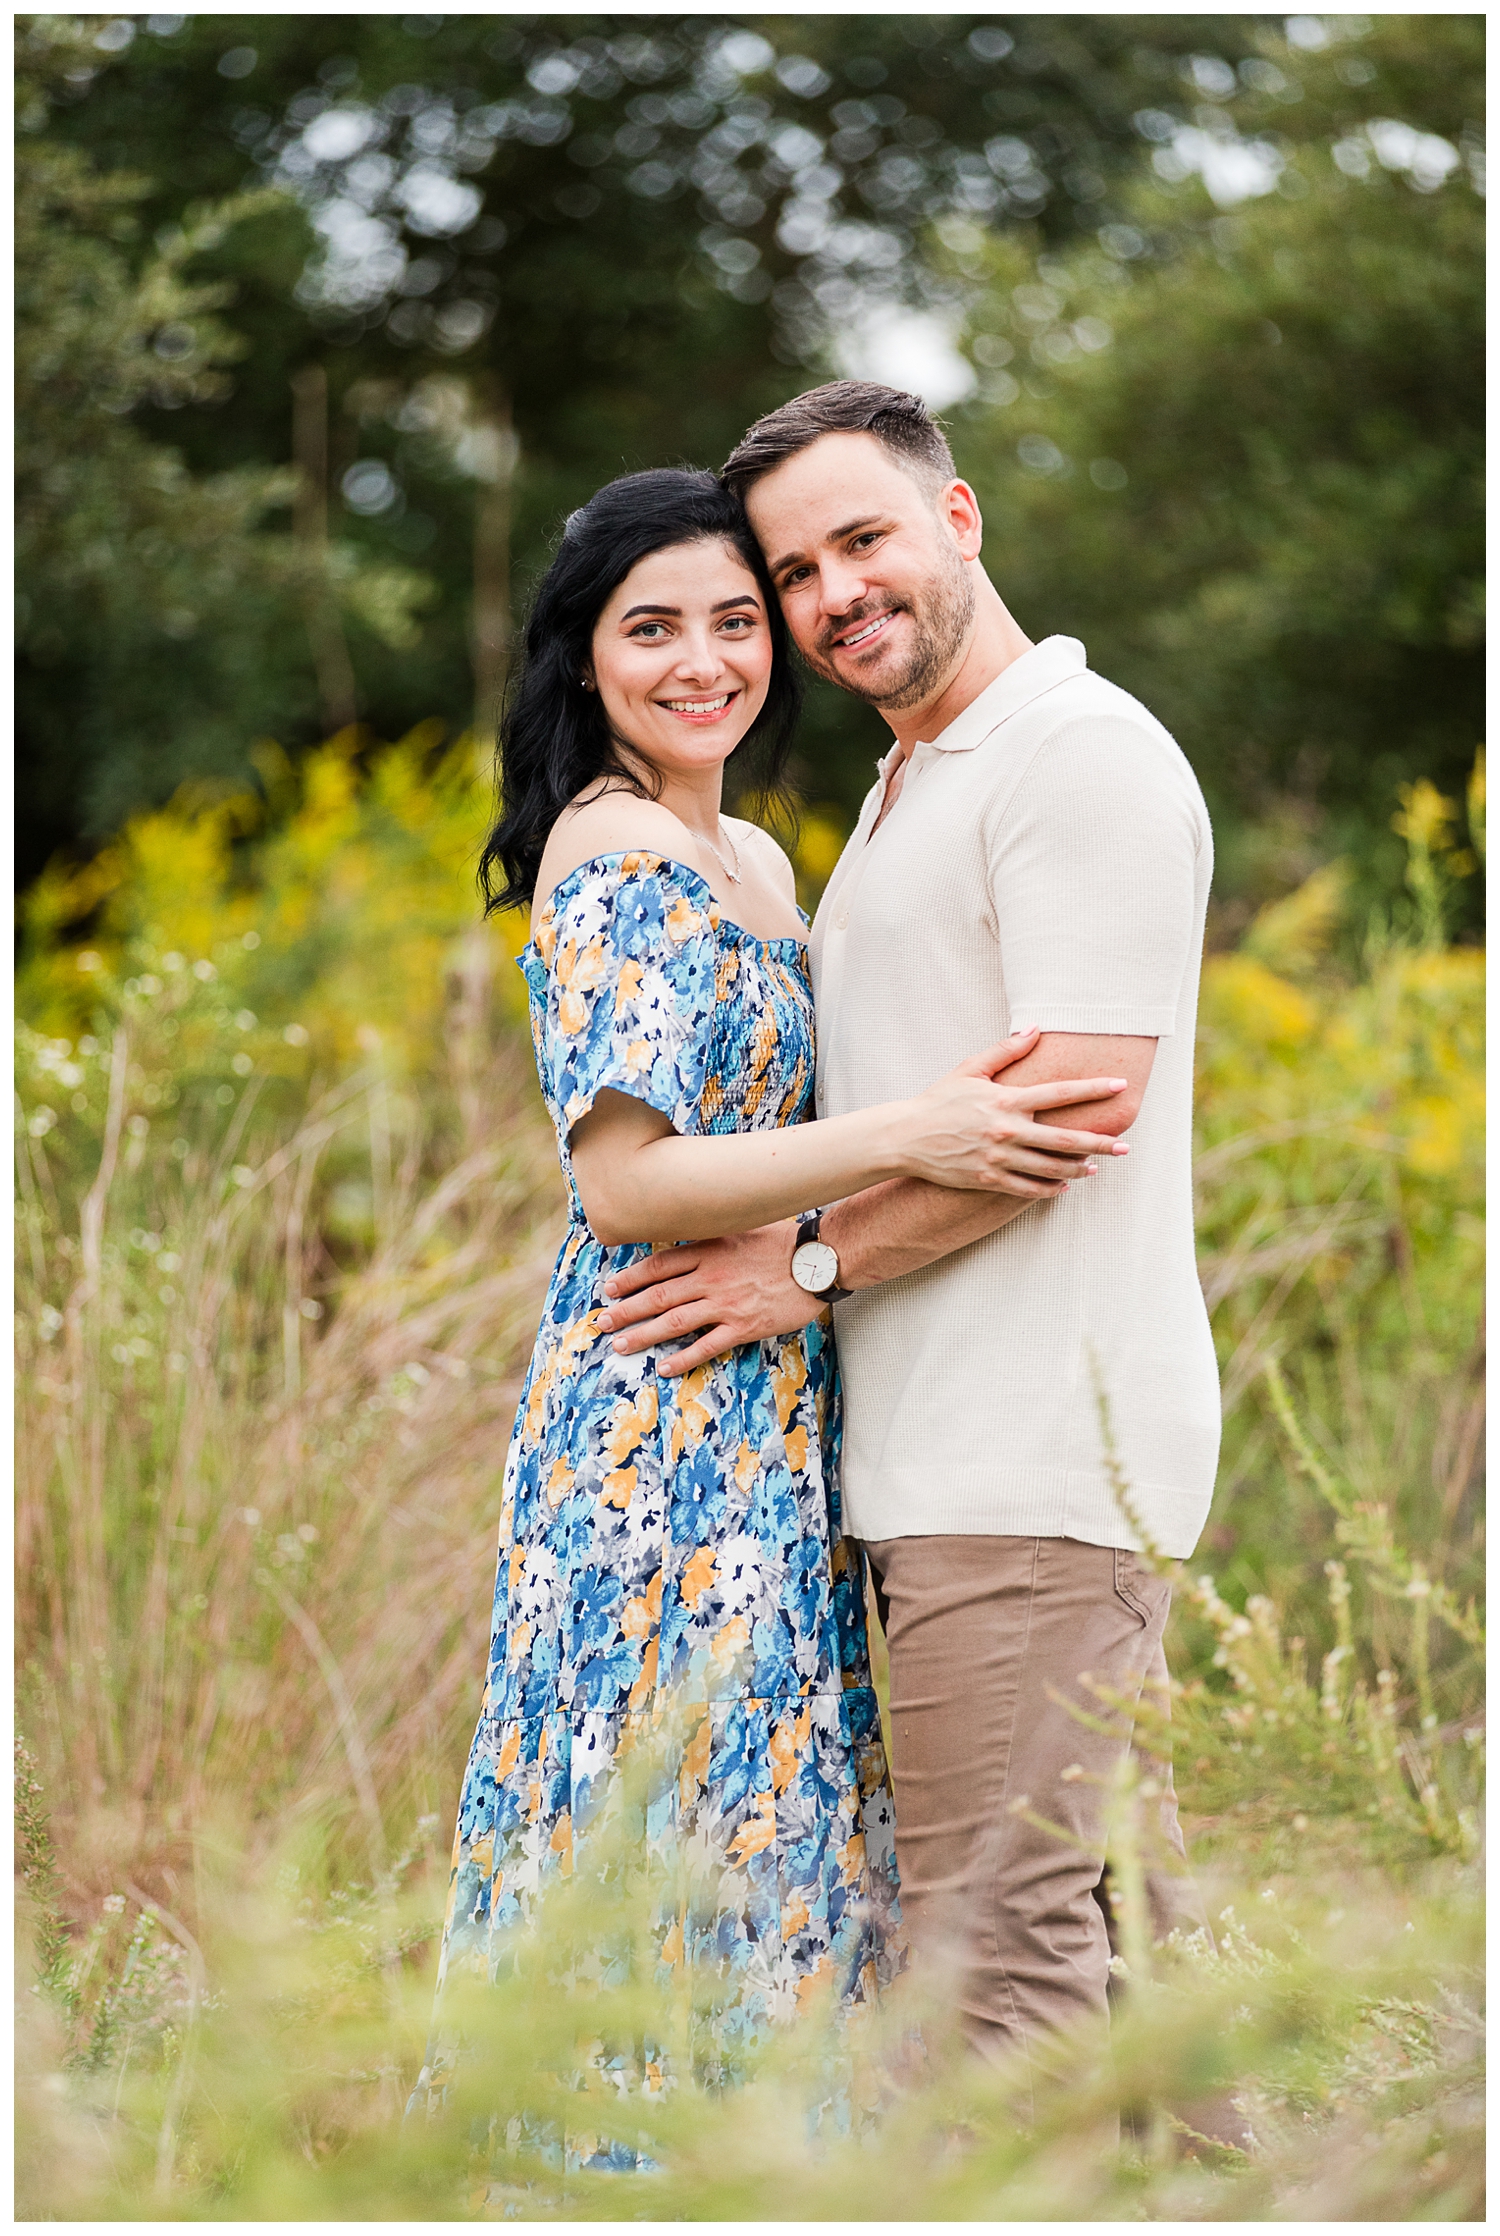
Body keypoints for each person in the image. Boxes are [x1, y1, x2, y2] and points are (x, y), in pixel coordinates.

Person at [419, 466, 1133, 2113]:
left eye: (736, 623)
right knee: (663, 1841)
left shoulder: (742, 843)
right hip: (654, 1418)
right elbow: (624, 1184)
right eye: (649, 628)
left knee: (777, 1849)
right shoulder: (611, 850)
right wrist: (922, 1130)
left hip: (772, 1400)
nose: (704, 664)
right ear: (580, 657)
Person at [598, 385, 1223, 2092]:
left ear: (956, 521)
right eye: (797, 572)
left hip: (1027, 1467)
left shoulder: (1073, 758)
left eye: (862, 538)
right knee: (1129, 1968)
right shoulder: (911, 785)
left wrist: (798, 1270)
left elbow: (1075, 1107)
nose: (834, 593)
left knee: (986, 1965)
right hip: (956, 1465)